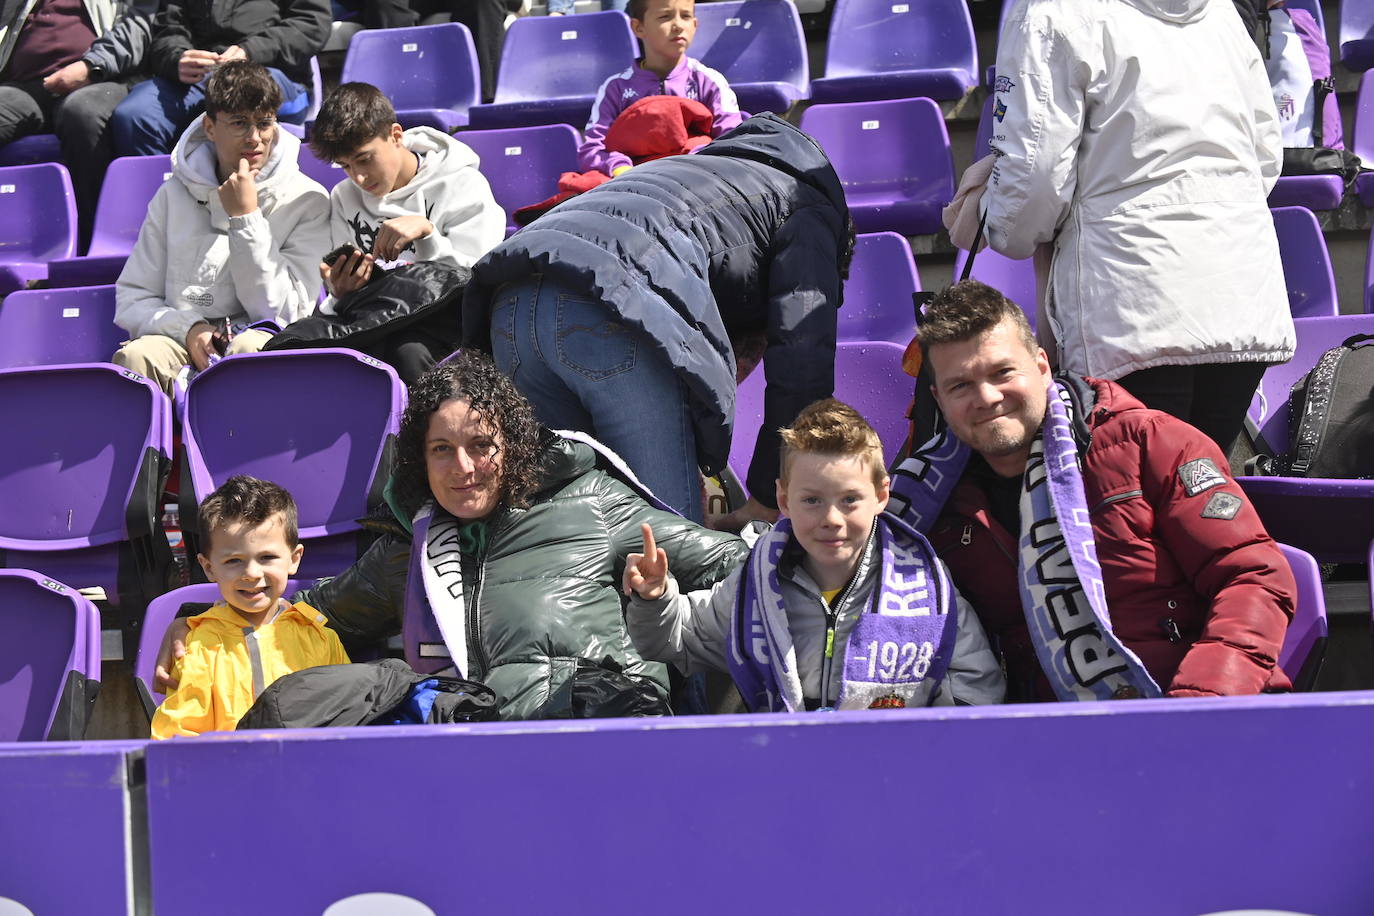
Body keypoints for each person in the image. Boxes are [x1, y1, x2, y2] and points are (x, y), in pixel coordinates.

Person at [156, 351, 749, 720]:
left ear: (512, 446)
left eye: (481, 446)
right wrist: (190, 625)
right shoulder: (406, 550)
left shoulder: (591, 503)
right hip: (485, 762)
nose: (462, 469)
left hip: (607, 737)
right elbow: (301, 612)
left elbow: (736, 567)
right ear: (419, 460)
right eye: (442, 450)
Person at [891, 281, 1296, 702]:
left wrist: (1201, 702)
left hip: (1204, 712)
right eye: (961, 386)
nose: (987, 397)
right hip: (1051, 740)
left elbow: (1254, 576)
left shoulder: (1150, 441)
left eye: (1002, 372)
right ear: (938, 398)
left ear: (1042, 367)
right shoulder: (924, 500)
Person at [463, 113, 852, 527]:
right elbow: (802, 358)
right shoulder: (806, 202)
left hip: (508, 301)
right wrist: (770, 496)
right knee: (668, 540)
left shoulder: (697, 173)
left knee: (568, 538)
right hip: (609, 304)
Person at [981, 0, 1293, 453]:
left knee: (1137, 507)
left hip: (1132, 305)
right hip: (1241, 298)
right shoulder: (1221, 10)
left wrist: (991, 221)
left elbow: (1034, 178)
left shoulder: (1052, 13)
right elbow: (1265, 157)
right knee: (1203, 504)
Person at [624, 398, 1005, 712]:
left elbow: (977, 691)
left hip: (893, 775)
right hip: (786, 772)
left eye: (850, 500)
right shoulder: (755, 583)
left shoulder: (927, 587)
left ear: (882, 496)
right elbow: (676, 636)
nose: (831, 520)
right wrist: (654, 598)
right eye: (812, 501)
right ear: (783, 500)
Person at [113, 60, 331, 394]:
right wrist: (188, 328)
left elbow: (284, 313)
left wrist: (246, 218)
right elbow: (134, 297)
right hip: (182, 337)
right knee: (137, 357)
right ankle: (157, 449)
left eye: (265, 123)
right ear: (210, 127)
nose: (255, 138)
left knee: (247, 353)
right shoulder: (171, 194)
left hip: (260, 338)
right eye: (240, 123)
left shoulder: (308, 199)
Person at [307, 82, 504, 381]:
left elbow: (479, 279)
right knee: (299, 346)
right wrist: (342, 287)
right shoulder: (343, 195)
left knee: (404, 352)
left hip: (442, 319)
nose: (358, 177)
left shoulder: (463, 183)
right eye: (345, 166)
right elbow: (343, 286)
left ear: (396, 135)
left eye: (364, 159)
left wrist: (428, 235)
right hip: (372, 316)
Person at [151, 476, 349, 738]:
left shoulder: (322, 638)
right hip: (226, 773)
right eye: (234, 560)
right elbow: (179, 736)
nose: (252, 573)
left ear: (294, 559)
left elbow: (347, 718)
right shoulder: (196, 644)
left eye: (267, 557)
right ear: (209, 567)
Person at [0, 0, 159, 245]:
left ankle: (92, 242)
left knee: (82, 112)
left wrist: (90, 66)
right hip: (29, 86)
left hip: (104, 78)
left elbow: (139, 27)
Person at [109, 0, 328, 156]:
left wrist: (250, 51)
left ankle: (242, 205)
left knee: (235, 107)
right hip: (201, 77)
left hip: (272, 73)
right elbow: (169, 29)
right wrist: (178, 58)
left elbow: (312, 24)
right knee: (134, 115)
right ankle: (164, 204)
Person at [577, 0, 741, 176]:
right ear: (638, 28)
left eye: (685, 16)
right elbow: (593, 149)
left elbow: (733, 141)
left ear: (694, 25)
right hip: (632, 183)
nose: (678, 25)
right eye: (665, 16)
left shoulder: (710, 81)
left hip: (699, 179)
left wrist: (696, 163)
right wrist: (621, 169)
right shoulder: (615, 88)